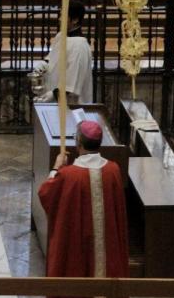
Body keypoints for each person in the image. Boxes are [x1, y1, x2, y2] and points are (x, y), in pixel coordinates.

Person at [39, 120, 129, 286]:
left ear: (78, 143)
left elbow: (45, 193)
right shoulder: (113, 170)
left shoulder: (69, 175)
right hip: (107, 243)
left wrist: (56, 167)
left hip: (76, 243)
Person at [36, 0, 93, 104]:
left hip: (72, 107)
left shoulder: (79, 46)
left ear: (75, 19)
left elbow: (73, 82)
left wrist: (53, 94)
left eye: (63, 16)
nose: (59, 19)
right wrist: (44, 64)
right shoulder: (61, 36)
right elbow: (52, 60)